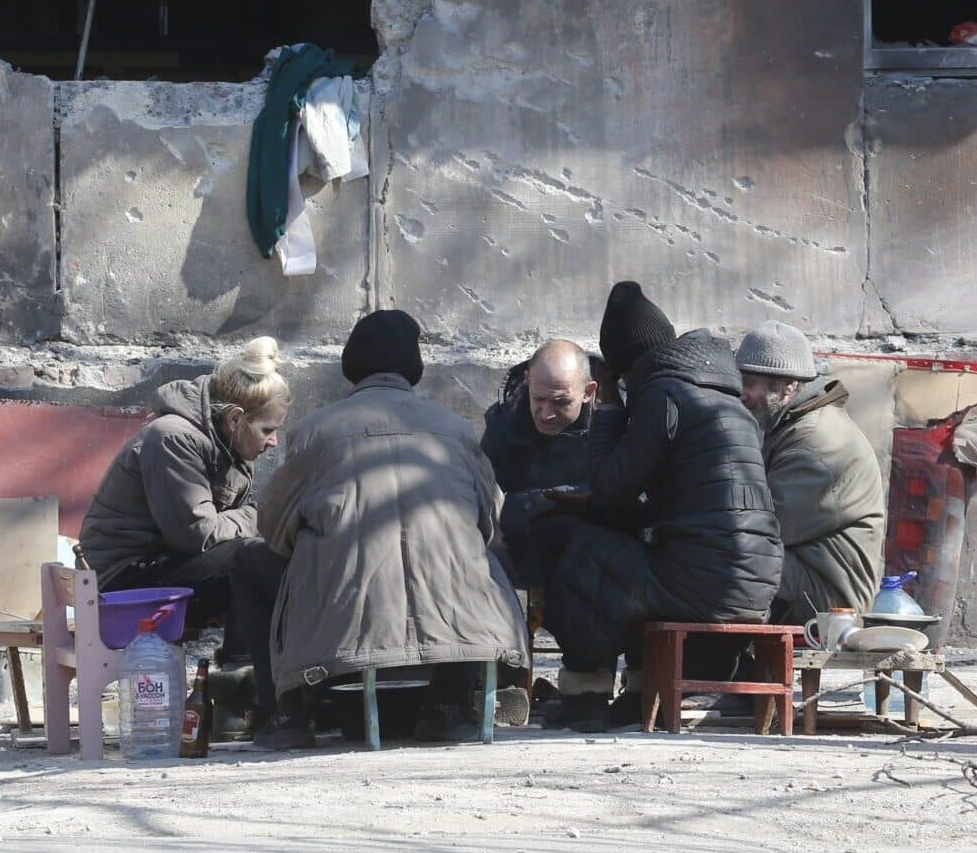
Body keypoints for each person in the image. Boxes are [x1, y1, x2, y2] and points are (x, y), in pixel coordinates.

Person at [252, 310, 529, 749]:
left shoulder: (313, 433)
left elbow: (272, 528)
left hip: (345, 617)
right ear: (414, 368)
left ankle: (288, 714)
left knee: (252, 564)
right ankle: (450, 703)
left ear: (351, 366)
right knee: (474, 562)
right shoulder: (456, 429)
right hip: (458, 621)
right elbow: (491, 520)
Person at [535, 282, 784, 730]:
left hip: (708, 583)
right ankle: (638, 694)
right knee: (630, 557)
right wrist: (590, 505)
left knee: (587, 555)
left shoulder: (664, 394)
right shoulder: (723, 396)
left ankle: (583, 697)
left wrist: (608, 408)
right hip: (760, 581)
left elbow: (612, 486)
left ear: (625, 369)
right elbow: (674, 503)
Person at [78, 337, 290, 652]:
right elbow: (198, 535)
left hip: (162, 565)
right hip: (121, 587)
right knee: (251, 560)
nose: (273, 441)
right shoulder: (172, 439)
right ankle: (239, 681)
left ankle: (240, 684)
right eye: (268, 430)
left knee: (263, 558)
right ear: (235, 418)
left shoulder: (232, 446)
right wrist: (266, 515)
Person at [736, 321, 885, 625]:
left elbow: (759, 527)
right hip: (805, 579)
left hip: (828, 602)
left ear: (789, 386)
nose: (741, 394)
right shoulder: (789, 425)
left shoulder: (815, 445)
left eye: (750, 383)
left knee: (720, 555)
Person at [479, 339, 598, 587]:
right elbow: (483, 496)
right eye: (539, 399)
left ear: (588, 392)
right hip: (519, 551)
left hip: (588, 557)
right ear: (527, 380)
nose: (546, 414)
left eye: (561, 402)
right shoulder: (505, 424)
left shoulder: (612, 423)